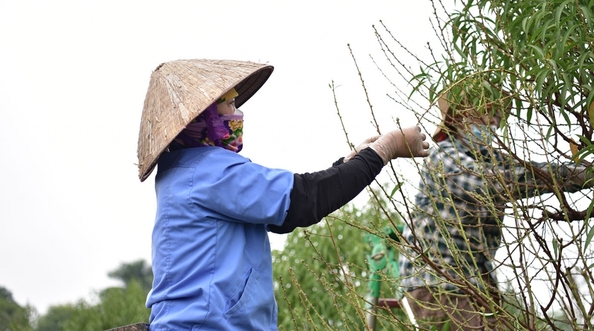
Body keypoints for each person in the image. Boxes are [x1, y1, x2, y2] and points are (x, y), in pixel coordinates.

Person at [136, 59, 430, 330]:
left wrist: (350, 163)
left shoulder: (183, 172)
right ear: (204, 116)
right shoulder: (211, 173)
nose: (237, 112)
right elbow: (304, 201)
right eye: (229, 104)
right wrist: (387, 147)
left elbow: (283, 211)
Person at [396, 92, 594, 330]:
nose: (493, 121)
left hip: (475, 282)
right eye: (483, 114)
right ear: (459, 118)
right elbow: (492, 182)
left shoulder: (492, 158)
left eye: (496, 115)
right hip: (437, 281)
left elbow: (534, 170)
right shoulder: (445, 155)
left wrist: (584, 173)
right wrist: (574, 175)